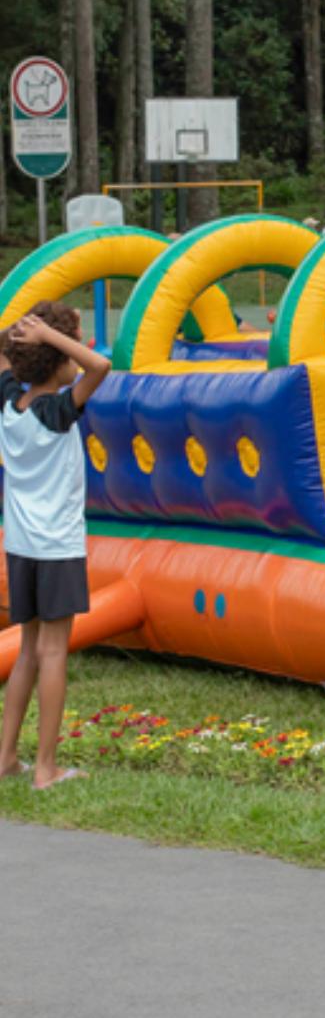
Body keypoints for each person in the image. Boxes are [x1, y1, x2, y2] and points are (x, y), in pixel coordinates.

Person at [0, 303, 111, 791]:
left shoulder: (9, 405)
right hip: (58, 547)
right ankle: (46, 769)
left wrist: (32, 337)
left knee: (29, 650)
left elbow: (5, 359)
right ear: (57, 357)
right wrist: (46, 333)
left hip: (21, 546)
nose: (80, 351)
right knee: (53, 652)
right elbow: (101, 366)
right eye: (73, 343)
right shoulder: (59, 411)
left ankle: (5, 758)